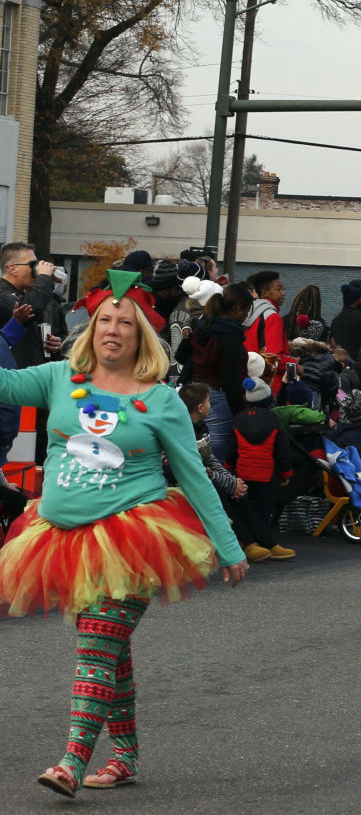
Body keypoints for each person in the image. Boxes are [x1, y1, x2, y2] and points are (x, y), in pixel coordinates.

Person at [0, 269, 248, 795]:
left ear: (141, 336)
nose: (112, 329)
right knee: (112, 653)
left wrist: (228, 546)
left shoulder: (161, 400)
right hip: (61, 536)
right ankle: (126, 759)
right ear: (91, 329)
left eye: (124, 323)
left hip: (132, 537)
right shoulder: (58, 377)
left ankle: (71, 760)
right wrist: (10, 326)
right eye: (104, 320)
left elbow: (193, 474)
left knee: (96, 650)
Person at [227, 366, 297, 562]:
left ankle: (251, 543)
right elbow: (282, 450)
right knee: (264, 509)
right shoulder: (274, 420)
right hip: (266, 474)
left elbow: (232, 448)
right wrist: (286, 474)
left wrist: (228, 468)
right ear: (268, 401)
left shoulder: (238, 420)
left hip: (243, 472)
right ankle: (267, 543)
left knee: (246, 508)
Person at [189, 283, 253, 463]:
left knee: (200, 448)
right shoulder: (230, 337)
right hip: (218, 396)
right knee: (216, 454)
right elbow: (230, 380)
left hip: (195, 392)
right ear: (237, 308)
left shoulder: (203, 327)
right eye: (247, 311)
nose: (247, 316)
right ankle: (217, 489)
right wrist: (242, 413)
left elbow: (184, 356)